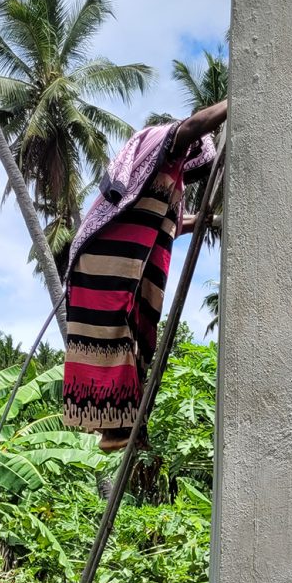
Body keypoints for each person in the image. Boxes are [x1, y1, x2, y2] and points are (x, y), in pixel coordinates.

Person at [63, 100, 228, 451]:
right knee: (114, 330)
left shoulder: (169, 184)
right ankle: (112, 423)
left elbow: (172, 226)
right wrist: (237, 99)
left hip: (125, 259)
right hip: (102, 258)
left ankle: (120, 423)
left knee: (138, 329)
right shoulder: (161, 145)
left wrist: (208, 220)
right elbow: (193, 126)